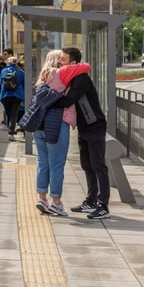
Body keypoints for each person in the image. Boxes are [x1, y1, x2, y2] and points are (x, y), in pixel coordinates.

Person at [29, 50, 90, 217]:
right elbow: (85, 66)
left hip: (39, 125)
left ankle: (42, 198)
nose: (64, 62)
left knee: (43, 163)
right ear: (57, 61)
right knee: (56, 164)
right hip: (56, 125)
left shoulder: (43, 75)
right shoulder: (60, 73)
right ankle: (56, 202)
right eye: (61, 59)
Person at [59, 47, 112, 220]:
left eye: (63, 59)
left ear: (73, 62)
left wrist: (48, 97)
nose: (60, 62)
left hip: (95, 126)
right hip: (85, 127)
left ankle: (103, 206)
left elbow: (68, 100)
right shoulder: (73, 77)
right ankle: (90, 202)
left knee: (98, 166)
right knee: (87, 165)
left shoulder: (80, 79)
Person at [0, 56, 25, 141]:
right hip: (17, 95)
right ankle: (11, 132)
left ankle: (11, 128)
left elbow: (1, 82)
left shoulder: (3, 71)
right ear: (16, 63)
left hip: (5, 95)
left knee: (9, 113)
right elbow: (24, 84)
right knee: (14, 114)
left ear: (8, 63)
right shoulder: (21, 72)